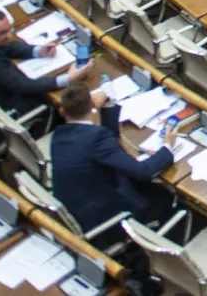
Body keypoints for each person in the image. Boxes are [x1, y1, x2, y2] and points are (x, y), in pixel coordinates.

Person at [49, 81, 177, 235]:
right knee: (165, 196)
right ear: (93, 105)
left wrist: (107, 108)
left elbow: (108, 144)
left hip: (75, 205)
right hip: (101, 218)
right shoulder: (95, 139)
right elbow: (143, 171)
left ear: (62, 110)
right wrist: (167, 147)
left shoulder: (59, 135)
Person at [0, 10, 92, 136]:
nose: (9, 36)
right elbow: (23, 85)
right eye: (3, 33)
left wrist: (38, 51)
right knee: (56, 107)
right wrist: (69, 78)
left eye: (9, 30)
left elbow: (6, 46)